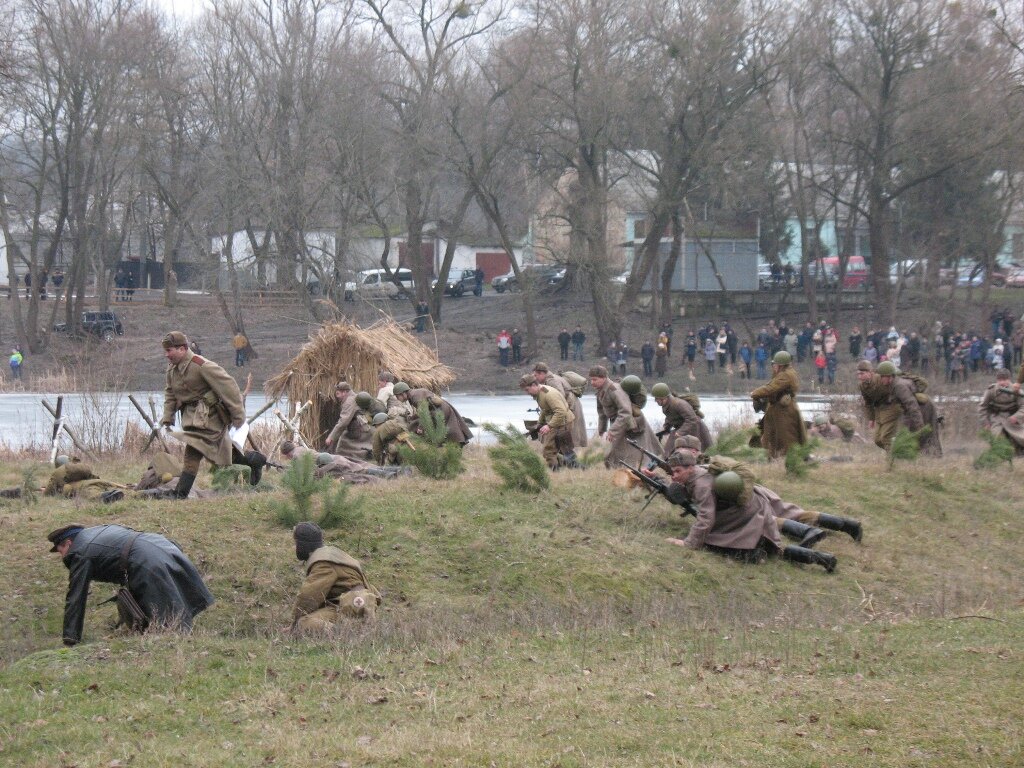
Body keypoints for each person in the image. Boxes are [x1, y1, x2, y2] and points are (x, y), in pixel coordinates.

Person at [659, 454, 836, 571]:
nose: (673, 476)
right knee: (775, 550)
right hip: (753, 508)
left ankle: (757, 554)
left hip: (747, 515)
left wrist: (689, 543)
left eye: (677, 471)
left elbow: (706, 518)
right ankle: (824, 559)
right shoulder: (700, 472)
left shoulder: (701, 485)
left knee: (718, 544)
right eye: (672, 471)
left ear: (690, 468)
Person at [48, 523, 214, 646]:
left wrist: (70, 639)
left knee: (168, 630)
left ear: (69, 543)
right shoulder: (95, 532)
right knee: (172, 606)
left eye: (60, 551)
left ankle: (181, 650)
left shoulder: (79, 551)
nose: (61, 556)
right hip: (161, 545)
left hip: (145, 560)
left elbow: (76, 596)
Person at [160, 331, 266, 499]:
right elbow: (170, 393)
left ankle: (180, 494)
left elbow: (229, 387)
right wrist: (168, 416)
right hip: (193, 418)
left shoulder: (201, 365)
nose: (166, 355)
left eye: (169, 350)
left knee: (193, 451)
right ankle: (253, 460)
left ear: (182, 349)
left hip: (210, 418)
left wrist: (238, 416)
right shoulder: (172, 369)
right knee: (218, 456)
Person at [290, 522, 381, 633]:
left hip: (348, 606)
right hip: (356, 604)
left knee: (304, 623)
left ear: (302, 545)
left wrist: (293, 624)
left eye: (296, 543)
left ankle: (345, 633)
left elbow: (308, 597)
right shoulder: (333, 555)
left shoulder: (323, 563)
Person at [859, 360, 941, 455]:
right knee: (908, 433)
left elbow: (912, 406)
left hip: (925, 407)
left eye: (882, 376)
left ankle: (934, 456)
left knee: (927, 434)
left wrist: (919, 427)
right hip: (915, 408)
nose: (880, 379)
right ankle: (919, 457)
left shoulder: (899, 386)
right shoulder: (892, 385)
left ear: (889, 376)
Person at [590, 365, 662, 468]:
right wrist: (602, 431)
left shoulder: (614, 390)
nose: (592, 382)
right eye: (591, 380)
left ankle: (647, 468)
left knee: (638, 451)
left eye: (595, 379)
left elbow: (625, 411)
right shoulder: (601, 392)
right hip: (619, 423)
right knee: (616, 452)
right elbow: (602, 413)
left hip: (631, 422)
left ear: (604, 378)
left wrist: (612, 431)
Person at [750, 351, 807, 459]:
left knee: (786, 437)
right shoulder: (784, 373)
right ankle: (772, 457)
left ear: (780, 365)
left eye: (775, 364)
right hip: (779, 409)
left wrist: (754, 393)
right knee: (772, 435)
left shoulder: (785, 375)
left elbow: (770, 388)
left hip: (783, 411)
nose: (773, 366)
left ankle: (788, 458)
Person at [520, 373, 576, 469]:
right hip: (558, 422)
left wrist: (548, 426)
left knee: (549, 450)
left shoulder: (548, 394)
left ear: (534, 385)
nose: (527, 392)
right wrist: (540, 424)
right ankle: (572, 467)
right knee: (563, 450)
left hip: (563, 423)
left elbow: (561, 411)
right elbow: (545, 409)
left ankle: (555, 472)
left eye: (527, 390)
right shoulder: (540, 392)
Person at [394, 384, 473, 446]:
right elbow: (423, 411)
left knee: (450, 432)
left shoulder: (415, 396)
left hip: (440, 411)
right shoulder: (413, 394)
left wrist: (421, 427)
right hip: (439, 410)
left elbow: (424, 413)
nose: (398, 399)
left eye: (398, 396)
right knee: (450, 431)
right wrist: (412, 417)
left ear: (403, 393)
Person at [533, 362, 588, 449]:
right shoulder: (550, 379)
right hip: (569, 404)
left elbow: (559, 395)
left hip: (570, 405)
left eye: (536, 375)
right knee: (566, 433)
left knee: (569, 433)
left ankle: (569, 457)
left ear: (542, 373)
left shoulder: (551, 381)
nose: (535, 378)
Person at [651, 382, 712, 453]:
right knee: (668, 451)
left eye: (657, 398)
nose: (655, 401)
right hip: (683, 427)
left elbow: (692, 419)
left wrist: (680, 432)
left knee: (694, 452)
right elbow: (670, 417)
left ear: (663, 398)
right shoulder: (667, 405)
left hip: (695, 428)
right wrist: (666, 428)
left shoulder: (679, 404)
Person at [979, 368, 1024, 454]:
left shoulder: (1016, 390)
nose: (1002, 382)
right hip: (996, 418)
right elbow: (982, 407)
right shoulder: (991, 390)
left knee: (1020, 437)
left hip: (1013, 418)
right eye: (1000, 380)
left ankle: (1019, 449)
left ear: (1009, 379)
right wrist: (986, 423)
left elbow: (1023, 406)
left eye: (1005, 379)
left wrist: (1017, 417)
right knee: (997, 438)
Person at [325, 381, 373, 458]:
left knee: (343, 444)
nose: (337, 396)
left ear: (344, 392)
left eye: (338, 394)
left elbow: (343, 422)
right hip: (363, 426)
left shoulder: (349, 402)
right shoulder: (352, 398)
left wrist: (331, 437)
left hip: (360, 428)